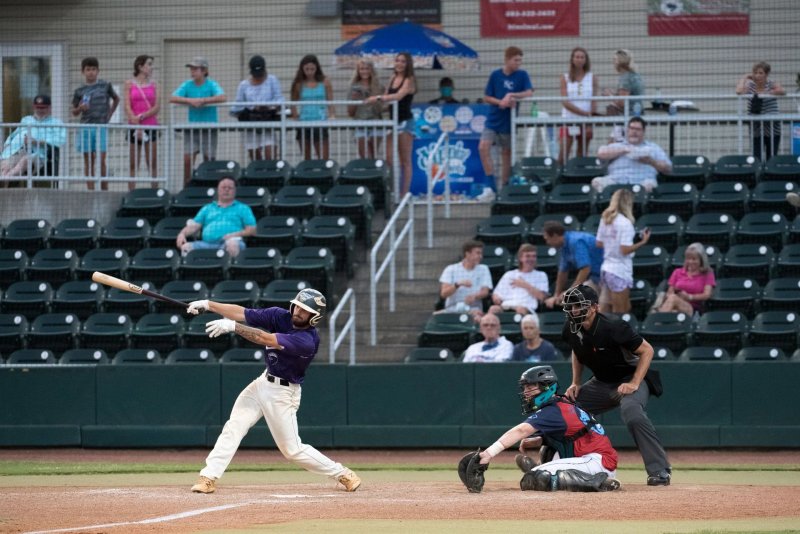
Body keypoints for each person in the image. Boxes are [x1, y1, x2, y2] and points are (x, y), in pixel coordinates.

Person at [184, 288, 362, 494]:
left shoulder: (307, 340)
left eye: (305, 310)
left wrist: (233, 327)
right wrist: (208, 304)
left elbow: (265, 339)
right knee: (234, 427)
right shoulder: (280, 315)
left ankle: (342, 473)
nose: (298, 311)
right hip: (263, 382)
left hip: (283, 394)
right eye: (298, 306)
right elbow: (242, 312)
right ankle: (208, 477)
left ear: (314, 317)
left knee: (292, 450)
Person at [560, 284, 671, 486]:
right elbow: (577, 351)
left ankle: (660, 470)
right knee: (567, 410)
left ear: (594, 307)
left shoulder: (613, 327)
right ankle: (553, 464)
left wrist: (634, 382)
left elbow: (647, 350)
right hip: (602, 382)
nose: (574, 310)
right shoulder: (570, 328)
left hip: (630, 377)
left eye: (579, 305)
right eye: (571, 306)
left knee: (632, 412)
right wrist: (576, 382)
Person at [473, 365, 621, 493]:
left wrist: (488, 453)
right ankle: (544, 470)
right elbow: (570, 434)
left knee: (532, 479)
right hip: (589, 460)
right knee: (547, 448)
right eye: (524, 387)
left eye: (530, 387)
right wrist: (541, 440)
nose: (525, 392)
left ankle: (598, 483)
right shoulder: (560, 404)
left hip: (597, 464)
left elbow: (521, 431)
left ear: (546, 387)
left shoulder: (554, 410)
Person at [479, 46, 534, 190]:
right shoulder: (495, 75)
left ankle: (504, 186)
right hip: (493, 120)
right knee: (483, 147)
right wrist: (500, 102)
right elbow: (487, 97)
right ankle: (491, 185)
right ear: (507, 60)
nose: (518, 63)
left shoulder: (522, 75)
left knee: (506, 153)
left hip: (509, 122)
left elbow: (529, 92)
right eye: (516, 60)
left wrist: (512, 95)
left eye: (520, 60)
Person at [169, 56, 227, 186]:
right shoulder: (187, 85)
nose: (192, 71)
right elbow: (172, 98)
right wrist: (190, 100)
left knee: (209, 160)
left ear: (204, 70)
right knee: (187, 160)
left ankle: (209, 187)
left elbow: (223, 97)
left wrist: (204, 100)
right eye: (191, 69)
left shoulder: (212, 84)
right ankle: (187, 187)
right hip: (192, 129)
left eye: (195, 69)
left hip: (209, 128)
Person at [366, 52, 416, 195]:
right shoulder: (393, 77)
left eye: (403, 61)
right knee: (389, 158)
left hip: (405, 122)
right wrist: (375, 106)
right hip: (392, 122)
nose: (399, 64)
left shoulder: (409, 79)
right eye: (397, 60)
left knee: (405, 160)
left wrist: (376, 98)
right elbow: (387, 98)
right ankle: (392, 191)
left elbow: (398, 96)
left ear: (408, 64)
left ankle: (404, 194)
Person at [595, 189, 651, 314]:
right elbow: (624, 250)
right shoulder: (625, 223)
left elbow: (599, 243)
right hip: (619, 270)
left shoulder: (605, 219)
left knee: (605, 310)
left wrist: (612, 243)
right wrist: (642, 242)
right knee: (621, 311)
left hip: (606, 268)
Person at [71, 56, 120, 190]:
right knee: (89, 161)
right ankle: (90, 191)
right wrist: (80, 108)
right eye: (88, 69)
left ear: (98, 71)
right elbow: (74, 112)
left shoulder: (105, 85)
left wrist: (109, 114)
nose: (91, 72)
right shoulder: (79, 90)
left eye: (93, 69)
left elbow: (116, 99)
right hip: (85, 127)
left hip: (101, 127)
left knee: (101, 159)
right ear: (83, 71)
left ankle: (104, 189)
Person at [175, 177, 256, 257]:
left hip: (230, 242)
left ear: (235, 191)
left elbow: (252, 230)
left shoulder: (243, 208)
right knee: (186, 247)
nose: (226, 190)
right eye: (223, 187)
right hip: (206, 244)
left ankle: (231, 265)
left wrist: (234, 235)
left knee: (232, 244)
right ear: (218, 190)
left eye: (230, 188)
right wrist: (182, 234)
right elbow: (194, 226)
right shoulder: (207, 208)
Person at [592, 117, 671, 193]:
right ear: (627, 130)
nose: (634, 132)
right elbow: (601, 153)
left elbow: (668, 168)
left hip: (643, 181)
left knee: (649, 185)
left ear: (643, 131)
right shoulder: (617, 146)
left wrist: (651, 161)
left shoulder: (653, 147)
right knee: (597, 182)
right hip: (615, 180)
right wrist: (625, 150)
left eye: (638, 129)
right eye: (632, 128)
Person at [231, 54, 285, 162]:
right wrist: (252, 107)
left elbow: (280, 99)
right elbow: (236, 107)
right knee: (255, 158)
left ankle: (272, 171)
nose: (258, 77)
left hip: (268, 123)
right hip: (251, 124)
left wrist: (268, 106)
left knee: (270, 154)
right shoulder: (243, 85)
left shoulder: (272, 80)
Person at [1, 95, 66, 180]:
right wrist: (6, 145)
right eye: (37, 107)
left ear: (49, 108)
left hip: (38, 155)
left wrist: (36, 141)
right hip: (17, 150)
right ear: (33, 107)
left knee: (25, 160)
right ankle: (4, 180)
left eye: (43, 108)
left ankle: (5, 177)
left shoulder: (56, 123)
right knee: (5, 166)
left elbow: (60, 140)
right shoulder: (26, 120)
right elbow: (13, 135)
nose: (40, 110)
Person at [541, 221, 603, 308]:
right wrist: (556, 295)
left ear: (554, 235)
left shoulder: (575, 241)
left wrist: (571, 291)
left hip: (608, 278)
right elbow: (563, 272)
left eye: (547, 239)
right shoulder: (564, 245)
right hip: (596, 279)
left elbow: (585, 268)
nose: (547, 242)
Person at [735, 61, 786, 161]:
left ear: (766, 74)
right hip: (756, 128)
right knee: (756, 156)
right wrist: (744, 78)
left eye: (760, 73)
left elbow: (783, 91)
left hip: (772, 127)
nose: (757, 75)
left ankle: (770, 170)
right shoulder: (750, 85)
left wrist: (767, 93)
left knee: (771, 157)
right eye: (755, 73)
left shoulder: (771, 84)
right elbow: (739, 91)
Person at [124, 54, 160, 190]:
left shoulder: (155, 84)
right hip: (134, 126)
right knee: (133, 163)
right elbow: (127, 106)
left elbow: (157, 107)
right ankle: (131, 192)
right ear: (140, 67)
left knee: (152, 162)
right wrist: (134, 119)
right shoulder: (129, 84)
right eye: (149, 64)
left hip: (151, 126)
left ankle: (155, 192)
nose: (151, 67)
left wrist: (142, 116)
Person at [559, 47, 598, 165]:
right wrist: (584, 113)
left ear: (586, 60)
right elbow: (565, 102)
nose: (580, 59)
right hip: (569, 120)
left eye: (582, 57)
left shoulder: (592, 77)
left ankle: (579, 174)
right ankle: (560, 174)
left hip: (586, 122)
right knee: (563, 154)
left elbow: (594, 101)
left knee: (582, 154)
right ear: (572, 59)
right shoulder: (565, 77)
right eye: (577, 57)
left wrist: (590, 121)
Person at [290, 54, 334, 161]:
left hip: (320, 122)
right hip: (304, 123)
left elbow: (330, 101)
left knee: (323, 158)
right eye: (307, 69)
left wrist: (332, 115)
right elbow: (293, 103)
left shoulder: (325, 82)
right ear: (302, 69)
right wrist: (295, 117)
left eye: (312, 69)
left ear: (317, 68)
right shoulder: (299, 84)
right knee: (307, 158)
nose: (309, 72)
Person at [438, 240, 493, 321]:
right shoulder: (450, 269)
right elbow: (444, 294)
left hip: (474, 309)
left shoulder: (483, 269)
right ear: (467, 254)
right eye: (477, 253)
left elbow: (485, 291)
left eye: (481, 253)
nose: (480, 256)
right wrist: (457, 284)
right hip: (452, 309)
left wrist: (475, 296)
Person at [488, 243, 549, 315]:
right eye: (527, 256)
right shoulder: (509, 274)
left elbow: (542, 297)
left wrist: (524, 285)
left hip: (526, 308)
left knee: (521, 310)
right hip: (506, 307)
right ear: (520, 258)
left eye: (533, 256)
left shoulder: (541, 275)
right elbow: (496, 294)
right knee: (492, 309)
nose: (531, 259)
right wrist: (496, 298)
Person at [658, 242, 715, 316]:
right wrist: (677, 293)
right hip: (674, 304)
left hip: (692, 307)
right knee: (673, 307)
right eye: (688, 259)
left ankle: (659, 318)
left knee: (673, 299)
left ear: (701, 260)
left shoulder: (707, 273)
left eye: (694, 259)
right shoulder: (677, 272)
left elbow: (707, 295)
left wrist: (689, 297)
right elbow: (670, 292)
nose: (690, 262)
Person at [347, 59, 384, 160]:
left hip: (376, 123)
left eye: (367, 68)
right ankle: (370, 169)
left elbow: (381, 109)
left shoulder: (379, 87)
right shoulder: (353, 87)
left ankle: (374, 169)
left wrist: (375, 99)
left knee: (373, 155)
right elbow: (350, 113)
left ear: (371, 70)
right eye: (362, 69)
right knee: (366, 156)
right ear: (358, 71)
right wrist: (354, 99)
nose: (364, 71)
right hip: (359, 123)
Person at [602, 49, 644, 117]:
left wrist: (609, 95)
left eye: (615, 59)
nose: (613, 62)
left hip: (629, 116)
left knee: (611, 107)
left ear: (620, 61)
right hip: (638, 113)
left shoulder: (625, 78)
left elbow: (622, 103)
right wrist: (614, 94)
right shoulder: (635, 75)